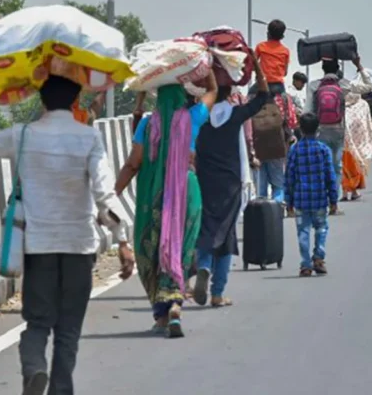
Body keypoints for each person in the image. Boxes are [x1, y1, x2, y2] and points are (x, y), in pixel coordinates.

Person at [0, 73, 134, 395]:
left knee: (38, 324)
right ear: (75, 99)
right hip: (79, 248)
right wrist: (122, 239)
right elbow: (104, 194)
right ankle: (60, 390)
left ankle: (35, 366)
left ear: (41, 100)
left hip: (38, 248)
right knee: (69, 332)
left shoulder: (22, 135)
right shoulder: (88, 138)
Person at [115, 71, 217, 337]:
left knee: (150, 248)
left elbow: (133, 163)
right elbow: (213, 93)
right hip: (187, 192)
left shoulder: (147, 125)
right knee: (181, 246)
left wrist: (112, 194)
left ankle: (161, 314)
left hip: (154, 195)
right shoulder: (192, 117)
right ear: (184, 96)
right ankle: (175, 306)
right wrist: (207, 74)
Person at [193, 50, 272, 307]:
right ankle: (217, 292)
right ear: (231, 94)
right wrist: (257, 65)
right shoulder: (236, 115)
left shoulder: (199, 116)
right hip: (230, 183)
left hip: (203, 179)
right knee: (226, 236)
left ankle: (204, 265)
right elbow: (263, 96)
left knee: (206, 228)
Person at [305, 57, 372, 210]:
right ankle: (333, 202)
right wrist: (359, 65)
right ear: (337, 69)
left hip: (321, 130)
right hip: (339, 130)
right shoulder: (344, 85)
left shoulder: (314, 86)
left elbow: (308, 111)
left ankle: (321, 199)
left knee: (321, 165)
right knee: (336, 166)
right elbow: (368, 86)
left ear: (322, 68)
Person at [285, 113, 338, 277]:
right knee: (321, 228)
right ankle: (319, 258)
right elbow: (331, 175)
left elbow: (289, 177)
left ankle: (305, 264)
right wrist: (333, 199)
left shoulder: (295, 150)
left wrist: (289, 201)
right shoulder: (323, 150)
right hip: (320, 199)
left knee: (303, 231)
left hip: (301, 200)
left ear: (300, 129)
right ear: (318, 129)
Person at [340, 84, 372, 201]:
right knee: (356, 166)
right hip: (360, 143)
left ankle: (346, 193)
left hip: (346, 142)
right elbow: (368, 123)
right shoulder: (363, 105)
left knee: (346, 167)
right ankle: (353, 192)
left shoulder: (343, 105)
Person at [255, 19, 290, 95]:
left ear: (268, 33)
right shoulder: (285, 51)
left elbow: (253, 64)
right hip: (278, 86)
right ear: (282, 36)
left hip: (262, 85)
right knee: (285, 105)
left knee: (248, 101)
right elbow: (285, 73)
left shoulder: (261, 46)